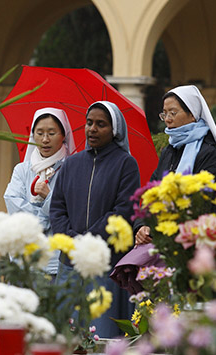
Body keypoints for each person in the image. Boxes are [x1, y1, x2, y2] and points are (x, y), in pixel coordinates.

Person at [50, 101, 140, 338]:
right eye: (89, 123)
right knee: (66, 338)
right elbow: (57, 208)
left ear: (115, 130)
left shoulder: (126, 164)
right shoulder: (71, 164)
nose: (92, 129)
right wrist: (70, 241)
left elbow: (124, 210)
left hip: (106, 264)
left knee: (101, 336)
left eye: (101, 124)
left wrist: (87, 241)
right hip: (71, 262)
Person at [134, 85, 216, 245]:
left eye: (173, 113)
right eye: (164, 114)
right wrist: (142, 226)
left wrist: (162, 228)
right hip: (158, 237)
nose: (167, 119)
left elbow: (206, 204)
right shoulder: (169, 150)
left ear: (192, 114)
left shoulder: (207, 153)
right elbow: (151, 192)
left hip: (190, 241)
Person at [4, 107, 75, 277]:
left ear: (63, 135)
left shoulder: (73, 170)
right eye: (40, 133)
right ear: (32, 135)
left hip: (56, 262)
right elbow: (13, 204)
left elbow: (72, 213)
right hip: (24, 260)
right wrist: (47, 219)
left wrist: (48, 196)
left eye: (51, 133)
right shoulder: (22, 169)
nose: (45, 139)